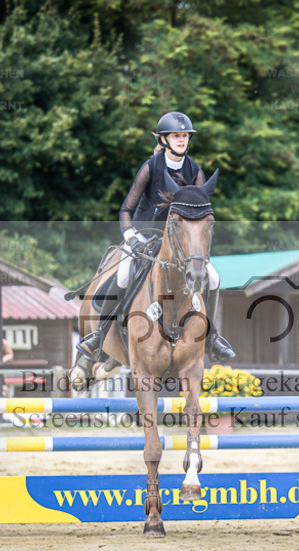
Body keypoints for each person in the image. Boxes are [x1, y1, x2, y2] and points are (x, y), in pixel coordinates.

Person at [76, 111, 234, 363]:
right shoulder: (150, 168)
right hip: (143, 235)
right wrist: (131, 237)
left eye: (185, 136)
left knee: (213, 279)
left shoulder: (195, 172)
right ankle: (98, 336)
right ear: (164, 140)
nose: (182, 140)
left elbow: (201, 215)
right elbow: (126, 209)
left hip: (179, 244)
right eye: (176, 136)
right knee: (124, 273)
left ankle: (211, 338)